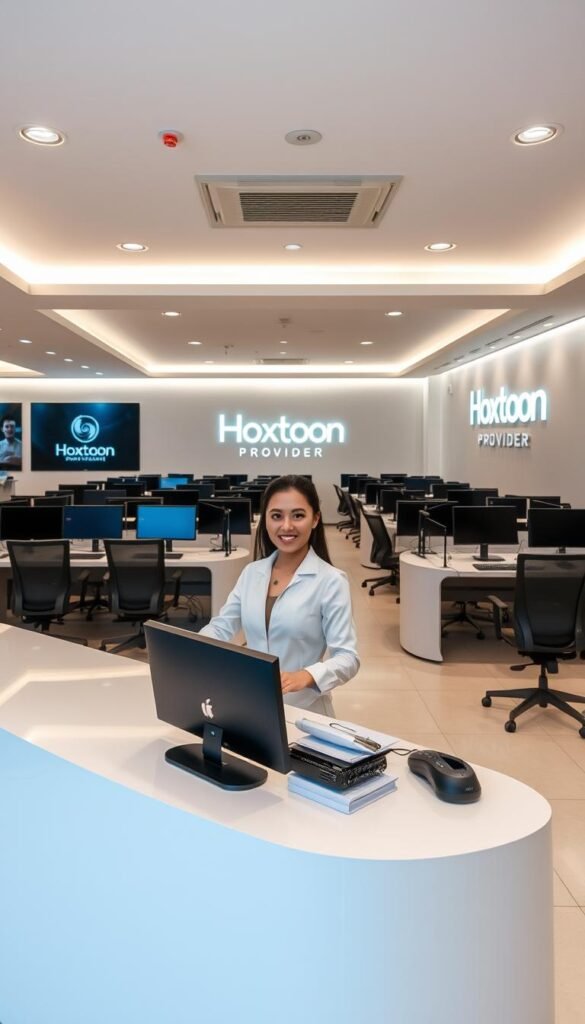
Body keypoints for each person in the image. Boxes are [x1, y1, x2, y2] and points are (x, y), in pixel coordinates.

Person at [199, 474, 359, 713]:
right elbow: (222, 626)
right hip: (253, 702)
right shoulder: (252, 572)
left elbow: (348, 658)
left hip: (305, 710)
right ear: (265, 520)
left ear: (315, 519)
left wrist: (306, 676)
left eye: (298, 515)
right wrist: (193, 648)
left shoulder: (331, 581)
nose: (286, 526)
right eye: (276, 516)